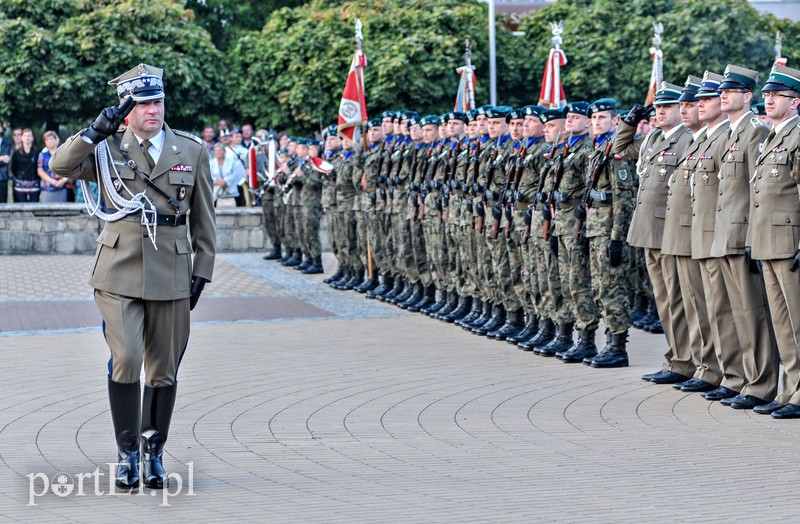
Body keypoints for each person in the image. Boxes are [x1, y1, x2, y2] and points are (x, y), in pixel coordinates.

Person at [49, 63, 216, 489]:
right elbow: (61, 166)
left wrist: (204, 269)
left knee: (164, 369)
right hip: (119, 269)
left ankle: (153, 452)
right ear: (126, 110)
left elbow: (205, 218)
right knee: (127, 360)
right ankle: (126, 454)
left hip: (173, 268)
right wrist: (91, 132)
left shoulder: (191, 151)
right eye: (142, 104)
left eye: (157, 101)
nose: (152, 110)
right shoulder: (105, 150)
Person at [614, 82, 694, 384]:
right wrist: (629, 121)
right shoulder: (651, 138)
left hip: (669, 230)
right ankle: (675, 359)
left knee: (676, 300)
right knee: (663, 300)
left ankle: (683, 361)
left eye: (667, 107)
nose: (660, 112)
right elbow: (619, 150)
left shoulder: (687, 140)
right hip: (648, 230)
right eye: (657, 108)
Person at [746, 64, 800, 419]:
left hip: (789, 242)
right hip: (767, 242)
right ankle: (789, 390)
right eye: (766, 95)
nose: (768, 100)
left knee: (797, 323)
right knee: (781, 323)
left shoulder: (796, 136)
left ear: (795, 102)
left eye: (775, 95)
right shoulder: (772, 136)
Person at [37, 131, 69, 202]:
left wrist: (63, 180)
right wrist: (54, 182)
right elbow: (40, 171)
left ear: (56, 139)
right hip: (47, 188)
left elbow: (69, 169)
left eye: (51, 139)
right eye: (47, 140)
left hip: (61, 187)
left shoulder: (63, 153)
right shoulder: (42, 155)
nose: (50, 141)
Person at [10, 129, 40, 202]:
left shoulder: (37, 152)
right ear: (22, 138)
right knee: (21, 208)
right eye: (25, 136)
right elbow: (13, 168)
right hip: (20, 185)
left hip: (34, 184)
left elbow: (39, 167)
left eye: (29, 136)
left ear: (32, 138)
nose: (27, 138)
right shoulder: (16, 153)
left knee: (34, 207)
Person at [210, 142, 243, 206]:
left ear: (224, 151)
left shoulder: (231, 161)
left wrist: (225, 181)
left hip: (231, 190)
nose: (218, 152)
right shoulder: (211, 162)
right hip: (216, 191)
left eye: (220, 150)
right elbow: (208, 175)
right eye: (216, 150)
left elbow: (234, 174)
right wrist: (215, 181)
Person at [0, 125, 12, 203]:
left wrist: (4, 158)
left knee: (2, 204)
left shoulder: (8, 143)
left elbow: (7, 159)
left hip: (2, 177)